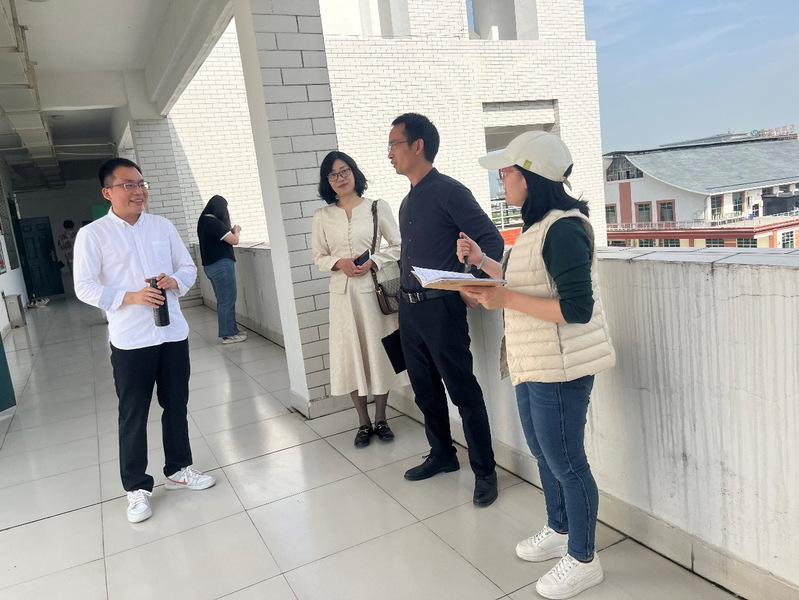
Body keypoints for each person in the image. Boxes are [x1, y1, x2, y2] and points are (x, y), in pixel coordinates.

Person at [458, 131, 616, 599]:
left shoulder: (564, 228)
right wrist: (482, 262)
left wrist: (504, 299)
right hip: (532, 360)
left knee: (567, 462)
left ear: (530, 176)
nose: (502, 180)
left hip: (562, 368)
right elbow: (521, 280)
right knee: (546, 454)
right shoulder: (537, 227)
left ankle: (584, 559)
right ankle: (560, 528)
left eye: (506, 172)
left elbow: (577, 308)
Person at [74, 157, 216, 524]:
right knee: (133, 414)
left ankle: (179, 469)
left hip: (172, 333)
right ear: (108, 192)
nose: (138, 191)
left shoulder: (162, 226)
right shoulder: (93, 235)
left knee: (176, 404)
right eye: (128, 185)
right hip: (131, 339)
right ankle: (136, 487)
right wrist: (130, 297)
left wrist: (174, 281)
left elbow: (188, 267)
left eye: (141, 184)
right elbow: (84, 286)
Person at [388, 112, 504, 507]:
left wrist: (472, 282)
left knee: (463, 392)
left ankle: (485, 471)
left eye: (395, 144)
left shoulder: (450, 192)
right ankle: (442, 454)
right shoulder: (407, 202)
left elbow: (490, 240)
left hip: (442, 309)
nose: (390, 153)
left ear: (418, 145)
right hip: (411, 310)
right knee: (424, 390)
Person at [312, 151, 402, 447]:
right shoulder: (322, 216)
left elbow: (398, 245)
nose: (340, 178)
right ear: (327, 181)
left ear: (354, 172)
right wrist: (339, 263)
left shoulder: (376, 207)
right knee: (350, 356)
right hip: (342, 298)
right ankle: (363, 422)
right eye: (333, 174)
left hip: (372, 295)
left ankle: (381, 418)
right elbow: (319, 257)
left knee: (377, 354)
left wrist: (374, 261)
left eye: (344, 171)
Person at [197, 195, 247, 344]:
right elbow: (234, 240)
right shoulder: (213, 222)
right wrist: (236, 230)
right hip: (221, 265)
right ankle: (228, 335)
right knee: (227, 300)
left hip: (210, 266)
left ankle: (231, 330)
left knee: (223, 300)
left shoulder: (203, 221)